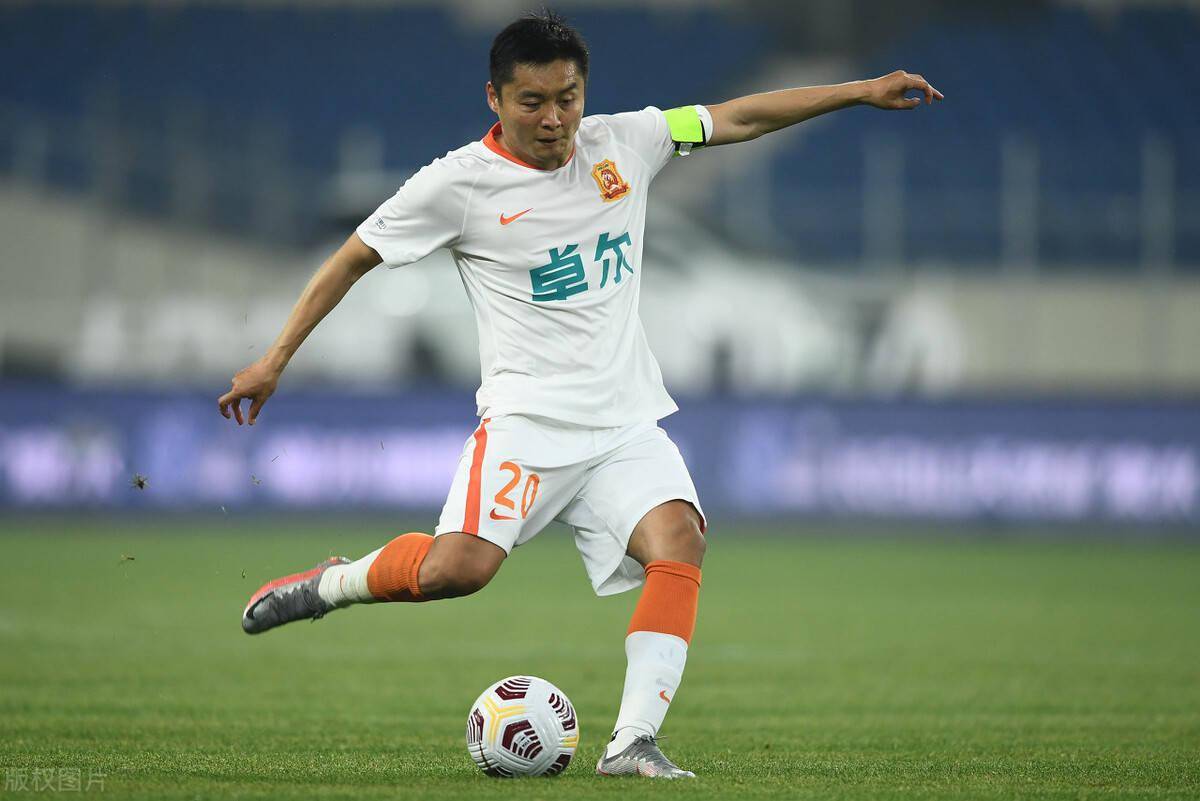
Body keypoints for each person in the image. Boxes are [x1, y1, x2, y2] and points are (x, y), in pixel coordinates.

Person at [218, 10, 941, 779]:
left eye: (568, 98)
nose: (554, 118)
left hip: (624, 421)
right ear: (495, 98)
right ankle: (333, 582)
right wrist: (273, 359)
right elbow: (352, 257)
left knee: (680, 538)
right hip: (527, 424)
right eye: (532, 101)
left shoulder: (626, 141)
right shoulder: (457, 185)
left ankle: (632, 741)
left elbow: (739, 116)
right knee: (456, 571)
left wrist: (857, 90)